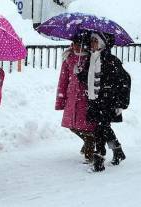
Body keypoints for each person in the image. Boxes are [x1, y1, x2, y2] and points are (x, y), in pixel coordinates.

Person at [78, 32, 127, 172]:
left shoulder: (111, 60)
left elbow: (123, 81)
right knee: (104, 127)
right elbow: (88, 80)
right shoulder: (91, 59)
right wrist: (80, 73)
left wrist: (120, 103)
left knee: (100, 129)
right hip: (94, 100)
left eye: (95, 40)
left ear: (102, 43)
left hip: (107, 101)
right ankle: (117, 151)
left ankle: (99, 159)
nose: (92, 43)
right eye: (91, 40)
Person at [55, 31, 97, 163]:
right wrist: (60, 100)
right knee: (72, 125)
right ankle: (89, 140)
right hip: (72, 97)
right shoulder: (69, 58)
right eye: (73, 44)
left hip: (86, 97)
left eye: (78, 44)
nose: (75, 47)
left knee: (86, 126)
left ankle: (89, 150)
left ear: (84, 45)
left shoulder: (92, 58)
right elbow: (63, 81)